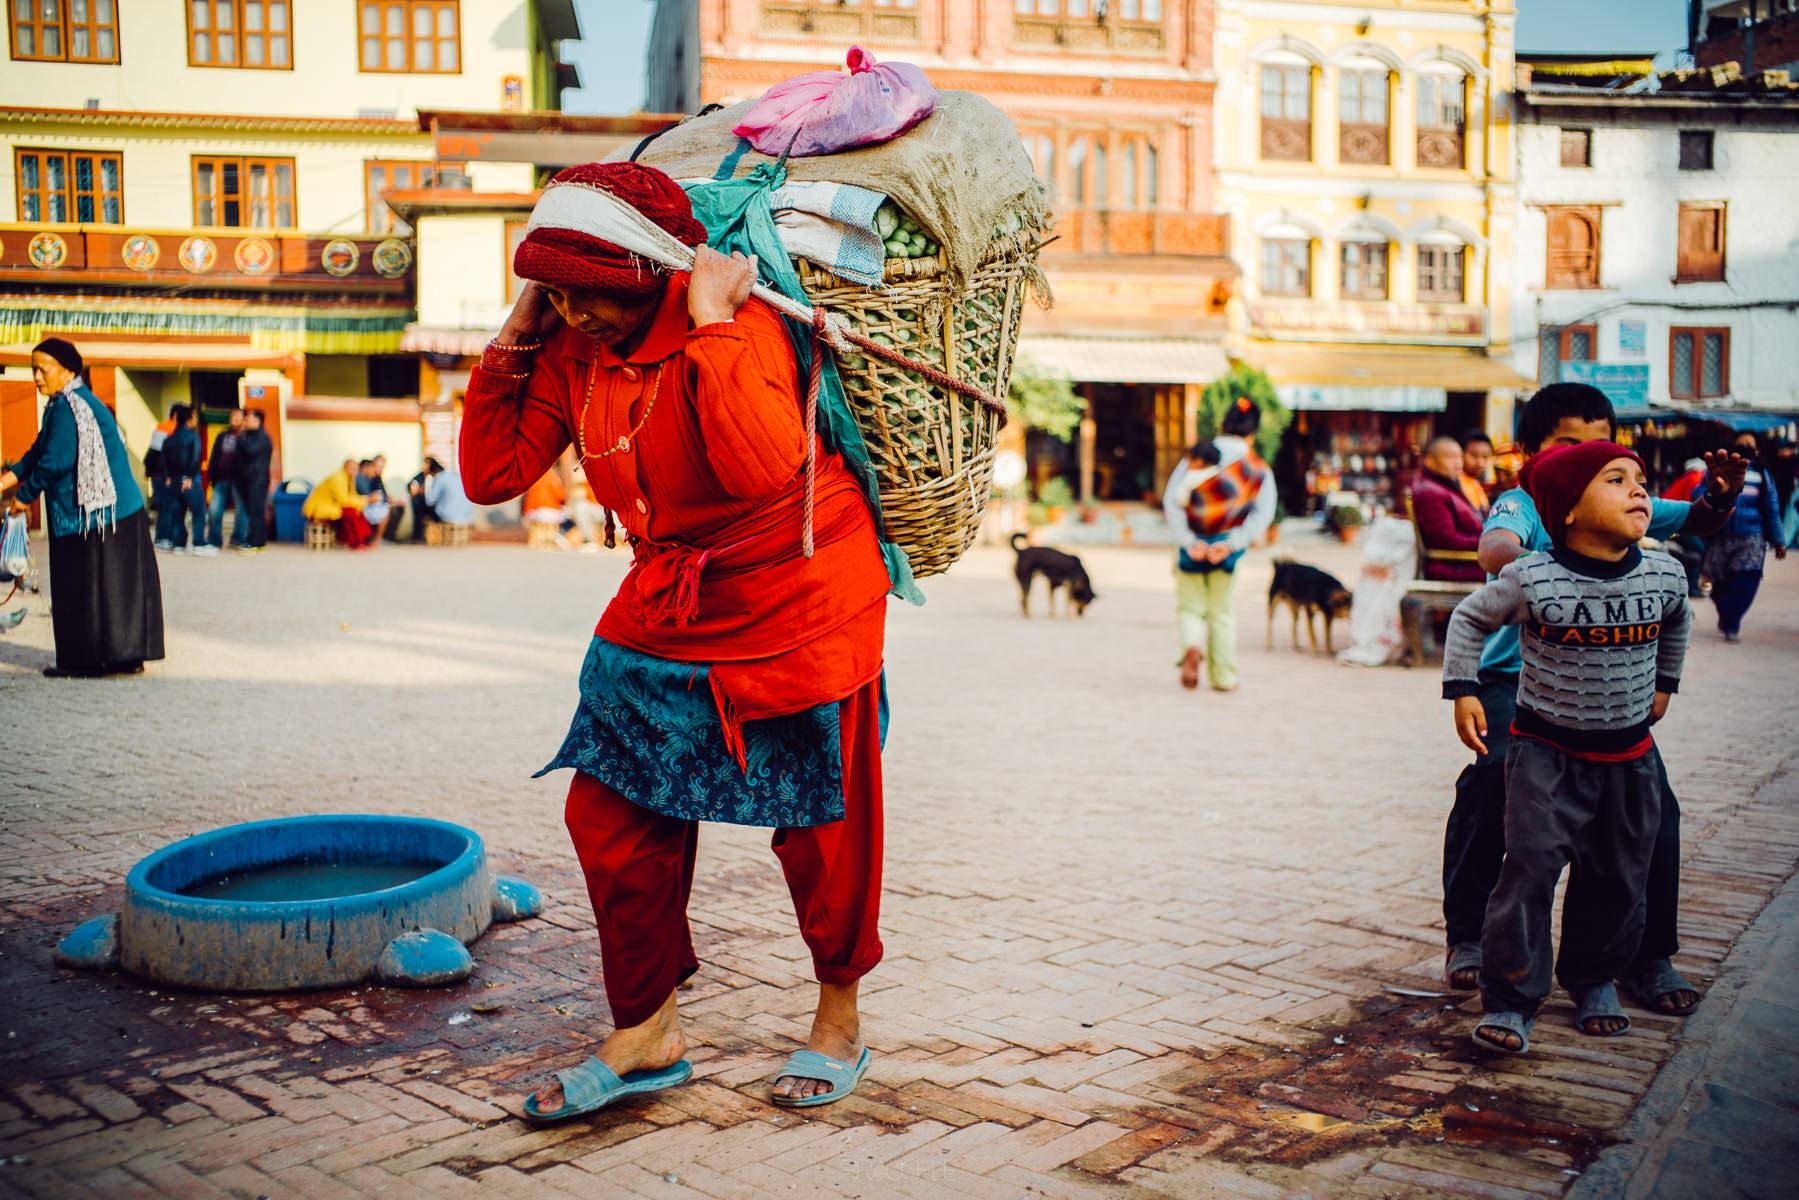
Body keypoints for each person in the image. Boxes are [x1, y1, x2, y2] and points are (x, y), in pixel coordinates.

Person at [458, 162, 893, 1119]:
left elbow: (759, 467)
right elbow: (491, 473)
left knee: (823, 821)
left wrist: (710, 321)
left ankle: (838, 1018)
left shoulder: (741, 328)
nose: (573, 310)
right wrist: (516, 334)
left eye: (589, 290)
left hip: (800, 596)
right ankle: (647, 1031)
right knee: (609, 815)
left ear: (652, 270)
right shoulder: (570, 347)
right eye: (554, 289)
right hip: (668, 601)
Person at [1438, 383, 1746, 1019]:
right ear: (1532, 453)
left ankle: (1646, 956)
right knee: (1493, 780)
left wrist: (1719, 495)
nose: (1585, 457)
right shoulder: (1528, 502)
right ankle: (1470, 937)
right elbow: (1493, 549)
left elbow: (1698, 522)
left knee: (1654, 816)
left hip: (1609, 705)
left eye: (1600, 445)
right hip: (1515, 686)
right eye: (1567, 445)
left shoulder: (1615, 494)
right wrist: (1555, 568)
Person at [1443, 442, 1690, 1053]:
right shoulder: (1533, 577)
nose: (1639, 491)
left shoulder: (1664, 573)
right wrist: (1463, 689)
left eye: (1639, 479)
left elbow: (1678, 620)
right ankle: (1512, 997)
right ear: (1569, 512)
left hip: (1628, 759)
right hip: (1544, 756)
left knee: (1618, 873)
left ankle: (1594, 978)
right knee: (1528, 873)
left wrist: (1665, 682)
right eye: (1615, 480)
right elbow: (1470, 619)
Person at [0, 338, 164, 676]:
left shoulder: (67, 407)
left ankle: (83, 661)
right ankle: (124, 657)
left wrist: (22, 498)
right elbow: (35, 454)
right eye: (33, 370)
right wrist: (5, 482)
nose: (36, 378)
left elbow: (54, 462)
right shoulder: (70, 402)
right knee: (115, 591)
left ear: (68, 371)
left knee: (83, 589)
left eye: (42, 370)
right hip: (115, 512)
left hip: (93, 515)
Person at [1163, 401, 1275, 692]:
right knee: (1221, 613)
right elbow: (1264, 513)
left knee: (1190, 608)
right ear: (1253, 430)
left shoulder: (1199, 455)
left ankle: (1191, 647)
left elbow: (1172, 500)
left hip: (1192, 547)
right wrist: (1231, 543)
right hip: (1227, 550)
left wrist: (1189, 542)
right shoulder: (1256, 468)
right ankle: (1224, 677)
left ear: (1223, 422)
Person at [1697, 432, 1786, 642]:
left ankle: (1732, 621)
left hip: (1751, 537)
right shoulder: (1717, 471)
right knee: (1717, 584)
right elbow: (1697, 496)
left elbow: (1771, 509)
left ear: (1756, 451)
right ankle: (1727, 615)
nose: (1746, 447)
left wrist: (1779, 540)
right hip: (1720, 535)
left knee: (1747, 579)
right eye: (1742, 444)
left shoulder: (1762, 475)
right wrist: (1714, 491)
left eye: (1750, 445)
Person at [1411, 436, 1486, 583]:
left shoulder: (1446, 486)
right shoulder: (1430, 492)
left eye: (1459, 457)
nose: (1458, 463)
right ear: (1430, 460)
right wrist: (1489, 542)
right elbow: (1448, 540)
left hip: (1468, 560)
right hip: (1453, 565)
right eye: (1451, 457)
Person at [302, 458, 376, 550]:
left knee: (358, 511)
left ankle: (365, 540)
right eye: (352, 469)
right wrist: (366, 500)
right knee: (350, 512)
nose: (355, 471)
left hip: (332, 506)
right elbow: (343, 500)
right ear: (346, 467)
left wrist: (364, 500)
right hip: (318, 508)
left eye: (356, 469)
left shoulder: (349, 478)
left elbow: (352, 496)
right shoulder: (338, 478)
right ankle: (355, 543)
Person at [1661, 458, 1709, 598]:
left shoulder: (1683, 479)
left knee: (1695, 551)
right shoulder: (1696, 479)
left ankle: (1690, 584)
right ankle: (1692, 588)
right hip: (1679, 524)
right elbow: (1696, 504)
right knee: (1698, 551)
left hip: (1671, 525)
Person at [203, 408, 248, 554]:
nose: (234, 419)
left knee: (241, 511)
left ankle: (238, 539)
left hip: (239, 480)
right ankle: (214, 540)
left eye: (237, 417)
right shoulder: (223, 435)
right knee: (214, 510)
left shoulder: (247, 437)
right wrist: (211, 475)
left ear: (244, 419)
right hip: (221, 478)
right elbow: (214, 455)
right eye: (232, 417)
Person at [161, 405, 205, 553]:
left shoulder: (169, 439)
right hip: (190, 480)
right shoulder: (193, 437)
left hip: (173, 480)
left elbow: (164, 461)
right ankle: (198, 543)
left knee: (178, 513)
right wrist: (190, 477)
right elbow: (195, 458)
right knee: (198, 512)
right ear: (190, 419)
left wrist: (167, 477)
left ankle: (179, 544)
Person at [234, 408, 272, 552]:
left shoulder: (262, 438)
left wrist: (241, 438)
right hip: (248, 480)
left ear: (257, 421)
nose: (245, 422)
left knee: (256, 511)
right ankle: (256, 540)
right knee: (252, 511)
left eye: (248, 420)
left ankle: (255, 542)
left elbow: (250, 451)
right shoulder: (249, 436)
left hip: (257, 480)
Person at [523, 466, 570, 548]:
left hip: (532, 510)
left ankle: (535, 541)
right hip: (551, 511)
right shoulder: (553, 478)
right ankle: (549, 539)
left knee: (537, 527)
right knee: (553, 524)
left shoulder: (533, 478)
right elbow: (561, 496)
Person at [355, 458, 393, 536]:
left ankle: (377, 537)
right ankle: (377, 537)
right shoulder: (360, 478)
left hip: (366, 503)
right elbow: (368, 495)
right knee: (385, 509)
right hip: (362, 504)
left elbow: (381, 494)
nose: (375, 470)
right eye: (374, 467)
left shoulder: (371, 478)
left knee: (385, 507)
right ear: (366, 468)